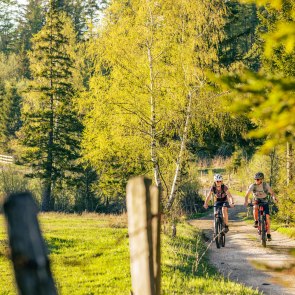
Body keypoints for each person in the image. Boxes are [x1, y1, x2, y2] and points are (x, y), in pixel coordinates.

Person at [244, 172, 278, 241]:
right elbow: (247, 194)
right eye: (255, 179)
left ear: (261, 179)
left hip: (264, 200)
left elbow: (272, 193)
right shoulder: (252, 186)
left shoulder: (265, 185)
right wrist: (246, 201)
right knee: (255, 207)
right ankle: (256, 221)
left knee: (267, 218)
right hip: (256, 200)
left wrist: (274, 198)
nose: (256, 180)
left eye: (258, 179)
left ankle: (268, 234)